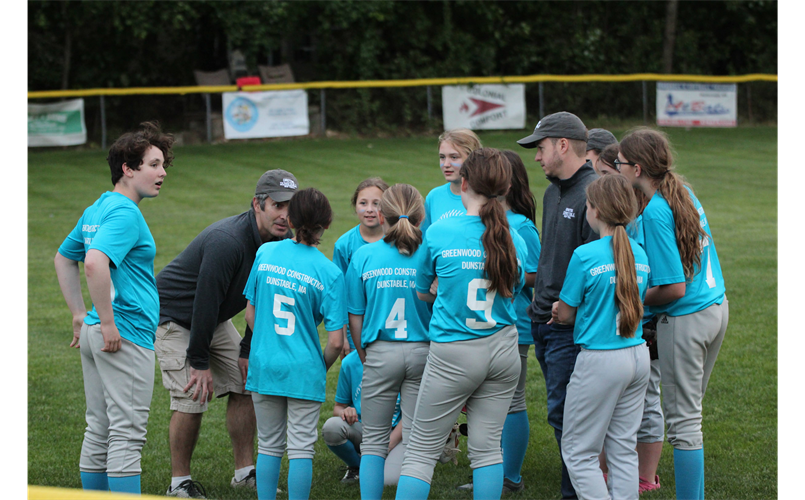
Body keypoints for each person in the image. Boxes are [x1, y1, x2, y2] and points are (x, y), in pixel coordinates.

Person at [154, 169, 298, 497]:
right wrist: (199, 361)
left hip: (214, 318)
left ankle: (245, 473)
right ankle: (179, 483)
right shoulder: (227, 241)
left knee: (247, 382)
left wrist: (247, 350)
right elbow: (204, 302)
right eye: (277, 205)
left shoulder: (281, 241)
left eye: (291, 207)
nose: (285, 215)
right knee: (192, 395)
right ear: (257, 204)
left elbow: (261, 300)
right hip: (175, 318)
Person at [395, 148, 527, 500]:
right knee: (486, 451)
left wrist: (443, 286)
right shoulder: (514, 234)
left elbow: (422, 291)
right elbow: (513, 288)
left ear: (464, 182)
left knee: (420, 452)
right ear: (506, 186)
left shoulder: (440, 231)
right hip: (503, 348)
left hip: (455, 351)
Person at [54, 121, 173, 494]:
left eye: (163, 164)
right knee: (126, 434)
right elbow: (92, 262)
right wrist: (107, 322)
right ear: (128, 168)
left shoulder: (98, 207)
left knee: (100, 427)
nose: (162, 172)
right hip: (123, 334)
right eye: (153, 164)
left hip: (98, 332)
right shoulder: (124, 213)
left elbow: (63, 257)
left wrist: (79, 315)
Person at [617, 128, 728, 500]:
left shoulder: (656, 211)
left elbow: (673, 288)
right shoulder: (681, 191)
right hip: (716, 308)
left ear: (635, 169)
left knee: (685, 425)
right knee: (689, 416)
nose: (615, 169)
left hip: (688, 318)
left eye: (618, 164)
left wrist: (631, 298)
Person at [551, 174, 652, 500]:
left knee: (579, 452)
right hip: (637, 355)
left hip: (600, 359)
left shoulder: (585, 255)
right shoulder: (640, 254)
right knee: (623, 447)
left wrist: (559, 311)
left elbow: (565, 314)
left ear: (594, 210)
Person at [243, 187, 346, 500]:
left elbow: (251, 313)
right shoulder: (329, 272)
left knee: (269, 444)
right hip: (303, 368)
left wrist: (267, 342)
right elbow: (336, 342)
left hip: (264, 363)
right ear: (325, 226)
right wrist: (319, 365)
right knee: (301, 446)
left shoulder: (266, 253)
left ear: (290, 219)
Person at [516, 111, 599, 500]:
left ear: (562, 146)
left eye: (541, 148)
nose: (537, 157)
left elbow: (599, 271)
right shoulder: (553, 192)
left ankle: (576, 493)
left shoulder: (594, 194)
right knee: (561, 413)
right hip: (544, 321)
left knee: (568, 415)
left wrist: (569, 313)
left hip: (571, 327)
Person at [455, 151, 541, 494]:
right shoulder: (485, 222)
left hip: (511, 322)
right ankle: (491, 468)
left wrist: (502, 273)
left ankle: (510, 476)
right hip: (483, 323)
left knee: (513, 401)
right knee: (489, 403)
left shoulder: (520, 226)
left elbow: (535, 274)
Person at [344, 184, 432, 500]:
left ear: (381, 216)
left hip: (380, 351)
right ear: (421, 217)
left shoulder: (364, 255)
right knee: (418, 441)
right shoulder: (430, 252)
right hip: (423, 351)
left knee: (373, 443)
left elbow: (355, 314)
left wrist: (364, 354)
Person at [595, 140, 666, 494]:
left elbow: (669, 283)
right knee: (625, 423)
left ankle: (627, 477)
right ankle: (623, 477)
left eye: (612, 169)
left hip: (622, 339)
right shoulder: (643, 219)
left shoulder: (649, 215)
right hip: (635, 340)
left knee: (583, 443)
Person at [321, 350, 404, 485]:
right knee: (332, 427)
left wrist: (387, 446)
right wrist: (345, 412)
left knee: (388, 480)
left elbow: (411, 415)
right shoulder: (350, 362)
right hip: (365, 430)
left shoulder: (403, 359)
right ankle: (357, 465)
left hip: (398, 433)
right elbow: (338, 407)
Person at [333, 177, 390, 353]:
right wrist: (342, 335)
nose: (370, 210)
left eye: (377, 204)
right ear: (355, 206)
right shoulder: (344, 245)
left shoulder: (396, 242)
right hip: (355, 330)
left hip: (390, 327)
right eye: (363, 203)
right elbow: (339, 294)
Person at [420, 128, 482, 234]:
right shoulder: (434, 196)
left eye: (454, 157)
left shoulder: (484, 196)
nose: (446, 164)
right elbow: (424, 241)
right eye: (442, 157)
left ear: (472, 158)